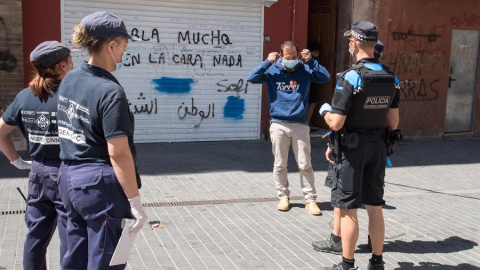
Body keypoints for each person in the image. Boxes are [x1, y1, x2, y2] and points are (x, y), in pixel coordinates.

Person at [56, 11, 147, 269]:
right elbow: (118, 152)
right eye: (123, 47)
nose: (123, 54)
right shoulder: (110, 91)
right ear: (110, 45)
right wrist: (135, 202)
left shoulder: (70, 78)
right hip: (99, 187)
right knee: (105, 260)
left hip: (69, 180)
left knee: (74, 256)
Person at [315, 21, 400, 270]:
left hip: (353, 150)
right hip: (378, 148)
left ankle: (347, 264)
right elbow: (393, 122)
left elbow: (337, 123)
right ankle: (377, 262)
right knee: (375, 207)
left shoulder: (350, 77)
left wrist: (324, 112)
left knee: (350, 209)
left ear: (353, 43)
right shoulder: (391, 77)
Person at [0, 41, 73, 270]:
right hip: (66, 172)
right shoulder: (72, 95)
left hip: (38, 173)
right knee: (70, 240)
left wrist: (17, 161)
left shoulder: (25, 96)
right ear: (62, 65)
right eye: (71, 62)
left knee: (35, 237)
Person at [248, 41, 330, 215]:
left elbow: (325, 78)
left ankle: (310, 200)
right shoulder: (272, 70)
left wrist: (312, 62)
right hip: (278, 123)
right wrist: (266, 62)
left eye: (294, 57)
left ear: (299, 54)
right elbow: (252, 78)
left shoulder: (305, 69)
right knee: (280, 164)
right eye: (287, 57)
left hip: (300, 123)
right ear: (280, 55)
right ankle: (283, 197)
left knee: (305, 163)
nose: (292, 60)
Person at [307, 42, 321, 130]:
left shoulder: (311, 58)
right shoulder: (311, 59)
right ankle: (307, 122)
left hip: (311, 82)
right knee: (312, 102)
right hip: (311, 82)